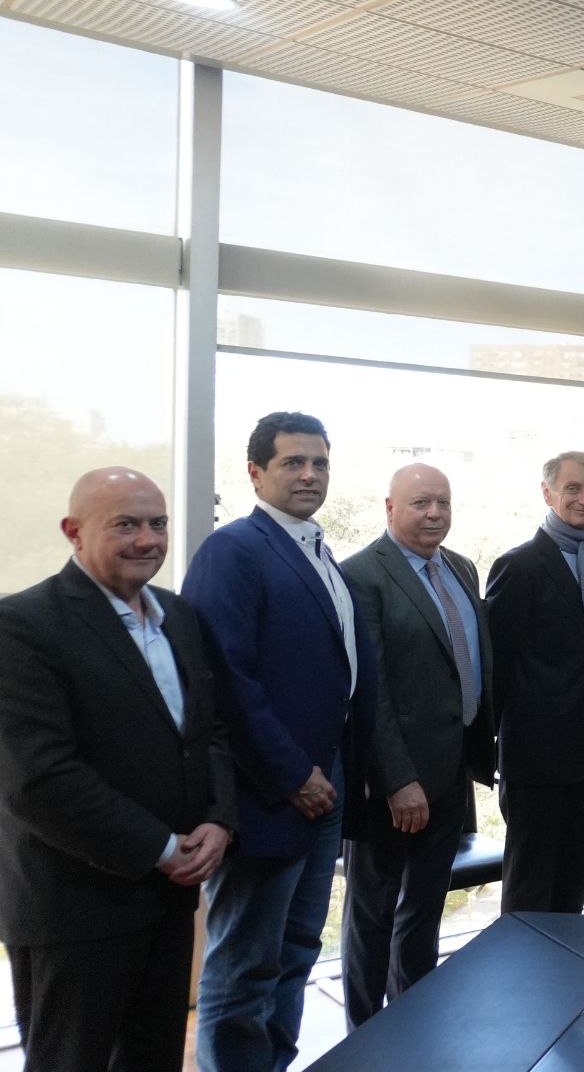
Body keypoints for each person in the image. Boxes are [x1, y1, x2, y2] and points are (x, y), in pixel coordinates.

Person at [0, 468, 234, 1072]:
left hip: (166, 898)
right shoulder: (22, 626)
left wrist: (218, 820)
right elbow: (39, 779)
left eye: (157, 524)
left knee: (153, 1058)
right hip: (76, 907)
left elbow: (207, 733)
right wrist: (161, 848)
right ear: (73, 532)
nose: (148, 540)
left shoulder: (178, 616)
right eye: (125, 525)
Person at [184, 411, 379, 1072]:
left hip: (327, 783)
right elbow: (226, 679)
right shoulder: (233, 550)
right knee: (244, 966)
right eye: (293, 462)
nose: (309, 474)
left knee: (297, 950)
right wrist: (294, 773)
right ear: (255, 472)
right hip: (271, 792)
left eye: (319, 463)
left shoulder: (317, 549)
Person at [338, 463, 495, 1025]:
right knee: (373, 913)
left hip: (452, 770)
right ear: (389, 507)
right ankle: (362, 1034)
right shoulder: (361, 574)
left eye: (444, 503)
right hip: (394, 783)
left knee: (424, 911)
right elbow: (368, 692)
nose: (435, 514)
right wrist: (397, 779)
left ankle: (411, 1026)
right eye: (421, 503)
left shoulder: (461, 568)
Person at [486, 451, 584, 914]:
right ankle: (523, 987)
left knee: (571, 888)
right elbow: (495, 666)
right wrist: (490, 754)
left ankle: (565, 984)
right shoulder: (518, 566)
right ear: (547, 493)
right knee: (529, 892)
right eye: (573, 489)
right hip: (535, 761)